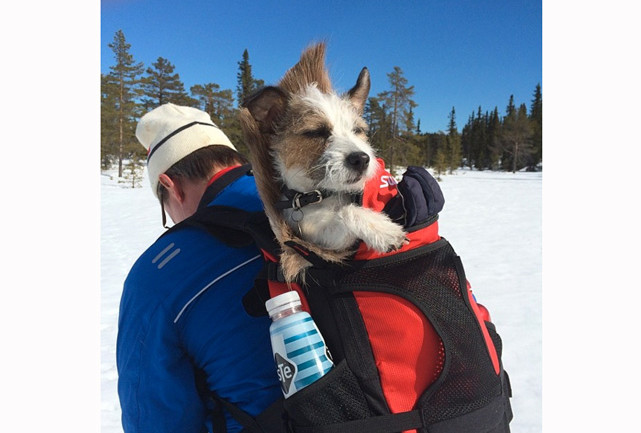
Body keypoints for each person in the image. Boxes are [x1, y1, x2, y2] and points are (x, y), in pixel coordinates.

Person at [116, 103, 283, 433]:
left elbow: (154, 419)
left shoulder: (155, 280)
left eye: (166, 211)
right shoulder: (301, 204)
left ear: (171, 186)